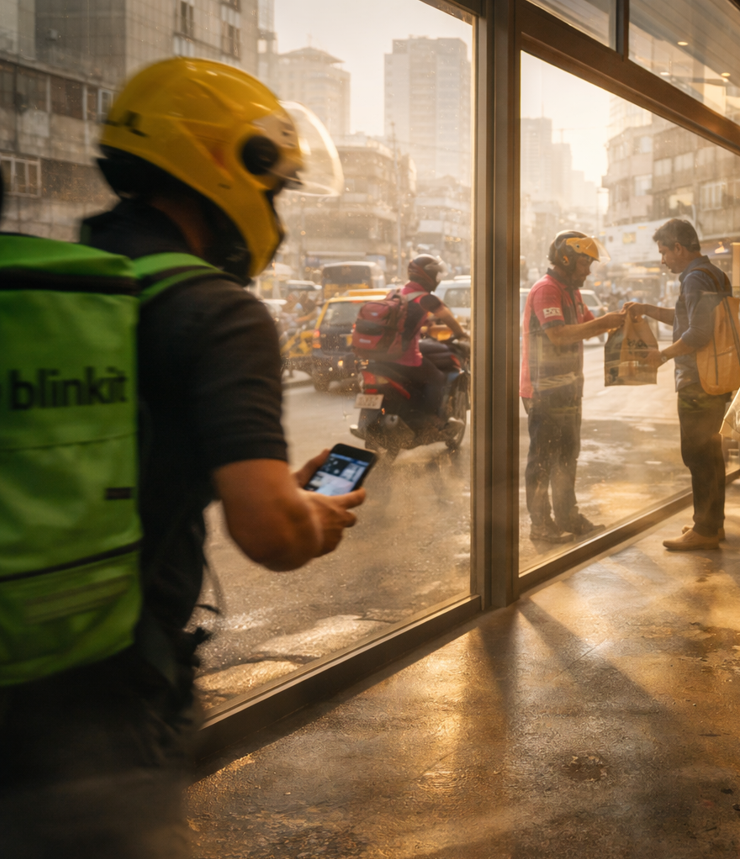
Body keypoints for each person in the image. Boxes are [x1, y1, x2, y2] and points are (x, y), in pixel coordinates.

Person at [0, 58, 366, 857]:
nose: (275, 208)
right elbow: (270, 535)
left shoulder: (63, 288)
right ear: (232, 170)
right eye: (275, 187)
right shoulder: (217, 312)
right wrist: (311, 513)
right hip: (101, 707)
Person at [624, 219, 734, 551]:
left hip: (697, 380)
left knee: (697, 453)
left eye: (664, 253)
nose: (662, 260)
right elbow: (686, 318)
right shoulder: (713, 274)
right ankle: (713, 524)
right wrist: (646, 309)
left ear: (678, 248)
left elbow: (697, 334)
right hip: (715, 376)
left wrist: (663, 355)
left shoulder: (695, 279)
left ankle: (704, 529)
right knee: (712, 453)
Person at [521, 230, 627, 544]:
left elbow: (592, 325)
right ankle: (540, 525)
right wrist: (604, 322)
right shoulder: (546, 290)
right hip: (544, 390)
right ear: (566, 258)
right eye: (585, 262)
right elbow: (558, 335)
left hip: (568, 388)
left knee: (567, 455)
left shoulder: (572, 292)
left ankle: (568, 517)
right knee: (542, 459)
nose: (588, 270)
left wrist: (623, 320)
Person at [373, 254, 468, 426]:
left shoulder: (396, 293)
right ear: (428, 275)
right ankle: (431, 419)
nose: (438, 279)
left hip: (382, 354)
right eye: (436, 274)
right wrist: (462, 334)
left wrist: (424, 325)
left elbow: (403, 321)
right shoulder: (426, 298)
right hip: (404, 357)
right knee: (436, 378)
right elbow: (450, 320)